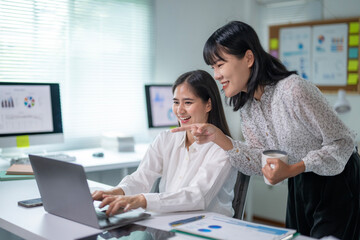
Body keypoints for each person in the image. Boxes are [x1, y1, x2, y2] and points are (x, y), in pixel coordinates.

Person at [171, 21, 360, 239]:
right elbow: (256, 162)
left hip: (339, 180)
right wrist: (219, 137)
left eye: (220, 65)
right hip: (300, 182)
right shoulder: (248, 108)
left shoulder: (293, 90)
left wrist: (295, 167)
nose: (216, 75)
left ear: (249, 58)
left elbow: (343, 142)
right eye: (213, 67)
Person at [92, 70, 237, 217]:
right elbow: (142, 177)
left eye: (187, 102)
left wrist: (142, 200)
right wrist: (115, 192)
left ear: (208, 105)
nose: (179, 110)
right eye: (175, 102)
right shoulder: (166, 138)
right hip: (169, 221)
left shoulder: (223, 146)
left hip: (209, 227)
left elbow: (197, 196)